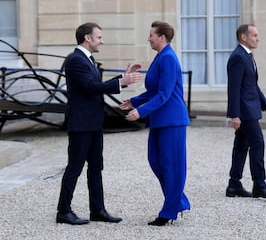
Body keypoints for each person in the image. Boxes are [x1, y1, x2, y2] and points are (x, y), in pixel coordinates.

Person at [56, 22, 142, 225]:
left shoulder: (89, 59)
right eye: (99, 37)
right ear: (87, 38)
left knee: (96, 167)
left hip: (93, 123)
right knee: (74, 167)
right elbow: (90, 87)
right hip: (81, 123)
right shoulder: (75, 60)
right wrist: (122, 82)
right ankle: (63, 211)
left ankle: (98, 210)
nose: (102, 41)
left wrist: (123, 77)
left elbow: (96, 86)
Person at [120, 21, 191, 226]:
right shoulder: (160, 57)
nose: (148, 38)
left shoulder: (168, 58)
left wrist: (140, 111)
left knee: (172, 166)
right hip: (160, 120)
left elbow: (165, 94)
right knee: (156, 161)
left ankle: (168, 212)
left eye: (151, 35)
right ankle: (179, 201)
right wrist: (133, 101)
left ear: (162, 37)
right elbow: (153, 92)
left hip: (172, 120)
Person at [226, 24, 266, 198]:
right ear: (243, 37)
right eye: (255, 35)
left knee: (241, 146)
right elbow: (233, 89)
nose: (258, 38)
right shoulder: (238, 57)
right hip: (244, 112)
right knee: (257, 143)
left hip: (250, 110)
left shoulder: (247, 56)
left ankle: (234, 185)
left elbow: (252, 86)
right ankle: (259, 185)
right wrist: (235, 114)